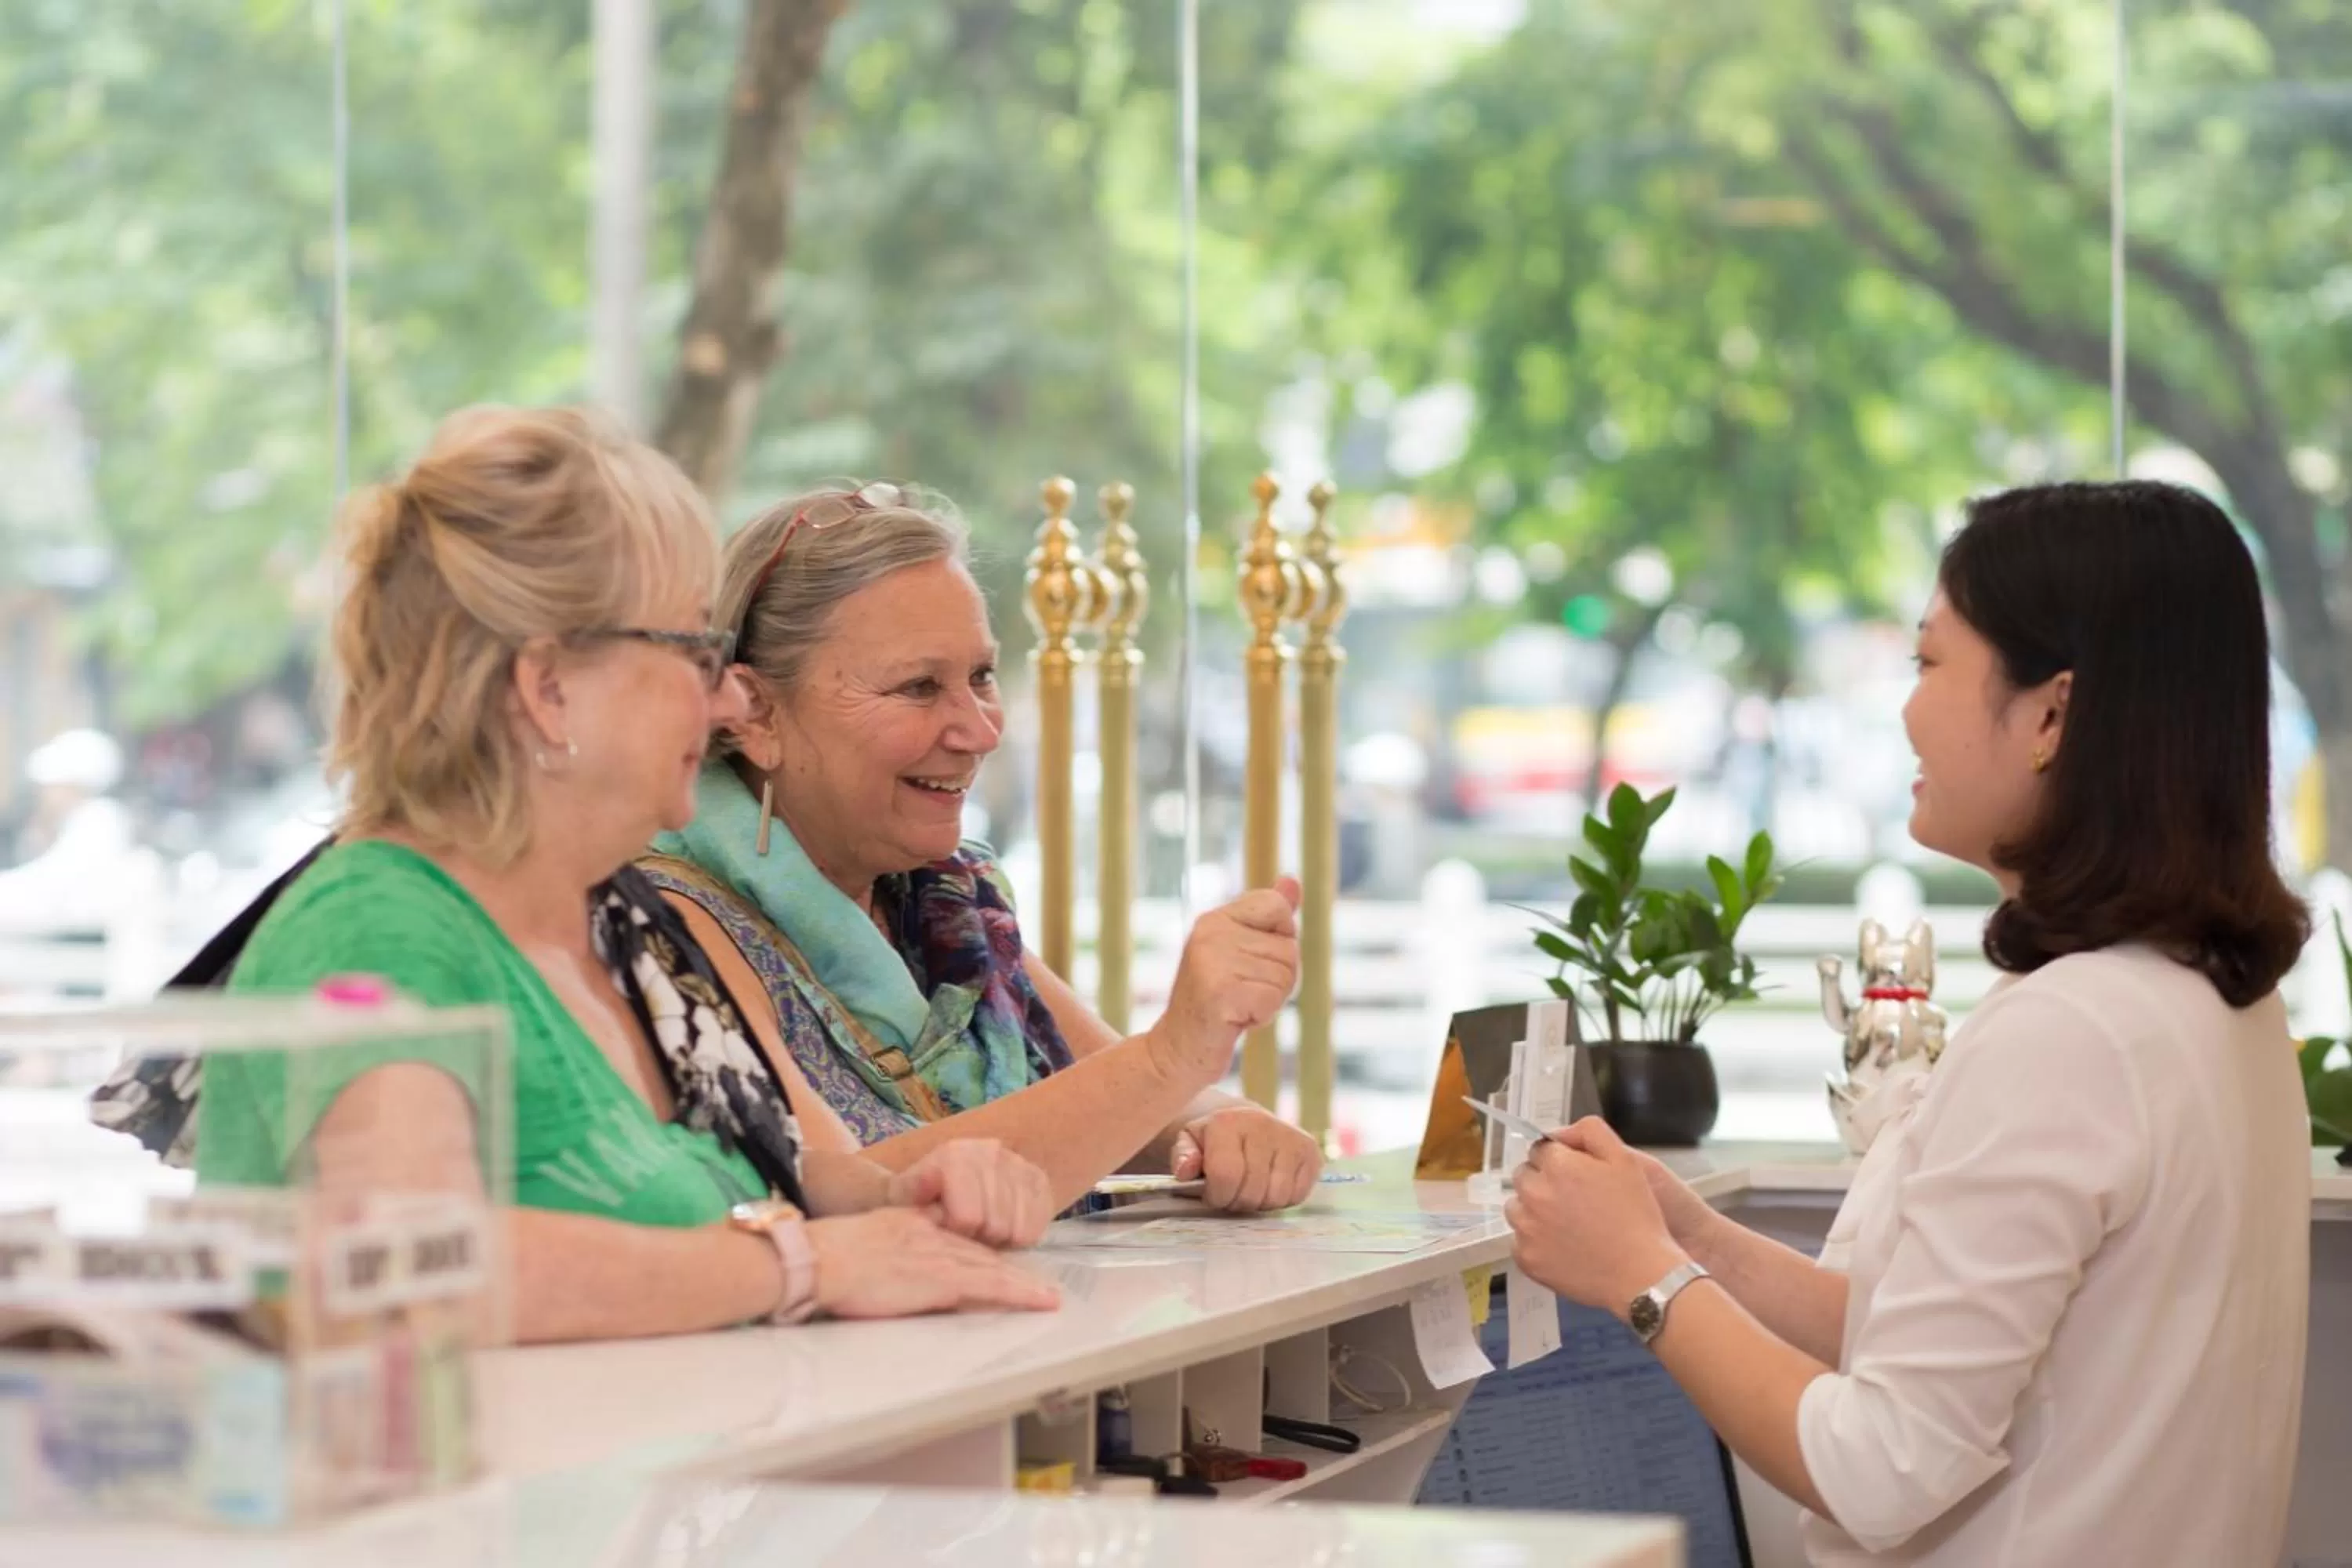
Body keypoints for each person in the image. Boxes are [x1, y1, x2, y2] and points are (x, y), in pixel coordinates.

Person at [190, 408, 1225, 1344]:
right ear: (549, 690)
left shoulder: (626, 927)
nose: (730, 700)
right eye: (691, 650)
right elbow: (413, 1273)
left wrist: (930, 1196)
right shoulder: (378, 929)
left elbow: (833, 1190)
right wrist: (797, 1263)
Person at [1505, 481, 2313, 1566]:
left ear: (2051, 715)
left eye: (1929, 662)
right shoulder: (2211, 1001)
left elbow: (1881, 1466)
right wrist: (1687, 1237)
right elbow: (1941, 1340)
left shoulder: (2073, 1035)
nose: (1906, 709)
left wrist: (1644, 1282)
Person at [644, 482, 1323, 1214]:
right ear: (756, 713)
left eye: (981, 677)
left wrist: (1224, 1126)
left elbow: (1125, 1099)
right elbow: (834, 1197)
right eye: (918, 686)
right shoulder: (665, 919)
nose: (981, 730)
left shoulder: (948, 895)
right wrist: (1172, 1056)